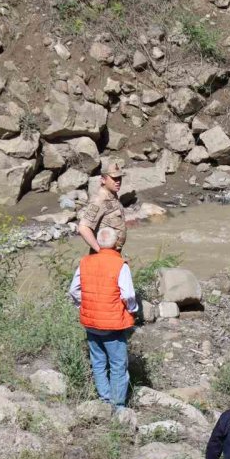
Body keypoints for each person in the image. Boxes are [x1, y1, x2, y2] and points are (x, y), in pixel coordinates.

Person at [68, 227, 137, 408]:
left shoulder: (84, 262)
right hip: (112, 324)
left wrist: (84, 305)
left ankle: (104, 399)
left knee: (98, 362)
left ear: (98, 242)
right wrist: (132, 310)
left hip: (91, 322)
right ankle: (117, 405)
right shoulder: (120, 265)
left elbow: (73, 290)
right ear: (116, 244)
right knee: (117, 365)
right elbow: (128, 295)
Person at [78, 162, 127, 253]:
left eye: (119, 178)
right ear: (103, 180)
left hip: (114, 252)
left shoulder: (113, 195)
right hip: (104, 254)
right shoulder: (99, 200)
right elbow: (83, 228)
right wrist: (100, 251)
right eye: (114, 178)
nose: (118, 181)